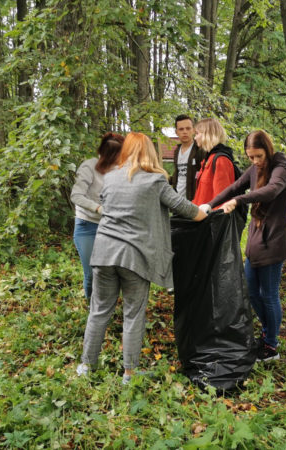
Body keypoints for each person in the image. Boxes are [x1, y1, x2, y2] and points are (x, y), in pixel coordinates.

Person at [77, 132, 207, 384]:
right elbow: (184, 208)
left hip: (103, 253)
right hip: (135, 257)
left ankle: (85, 366)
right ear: (150, 152)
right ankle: (129, 374)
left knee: (98, 311)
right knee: (133, 313)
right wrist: (204, 212)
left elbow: (106, 204)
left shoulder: (110, 178)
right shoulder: (155, 180)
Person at [202, 130, 286, 362]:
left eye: (258, 156)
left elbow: (271, 191)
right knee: (251, 291)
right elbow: (233, 188)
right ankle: (267, 332)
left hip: (273, 240)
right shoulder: (255, 169)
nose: (254, 161)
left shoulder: (281, 169)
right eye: (250, 157)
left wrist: (240, 200)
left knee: (269, 294)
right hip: (255, 241)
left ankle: (271, 345)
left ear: (268, 150)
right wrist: (208, 206)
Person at [70, 132, 125, 300]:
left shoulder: (121, 170)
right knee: (92, 273)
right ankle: (91, 310)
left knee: (112, 273)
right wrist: (98, 208)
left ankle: (107, 307)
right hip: (87, 226)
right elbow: (76, 196)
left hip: (112, 227)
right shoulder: (89, 167)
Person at [191, 118, 237, 206]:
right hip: (201, 216)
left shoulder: (221, 160)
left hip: (211, 217)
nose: (195, 137)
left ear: (207, 134)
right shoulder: (208, 159)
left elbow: (222, 200)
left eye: (197, 133)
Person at [169, 114, 206, 200]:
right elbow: (179, 174)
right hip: (178, 200)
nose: (185, 132)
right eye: (181, 129)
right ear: (176, 132)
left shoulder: (200, 150)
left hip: (194, 201)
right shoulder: (176, 151)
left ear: (193, 130)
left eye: (188, 128)